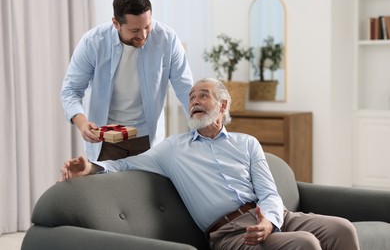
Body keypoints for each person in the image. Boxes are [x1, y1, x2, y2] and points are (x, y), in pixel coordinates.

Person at [60, 78, 359, 250]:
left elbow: (269, 193)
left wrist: (269, 221)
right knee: (305, 244)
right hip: (231, 233)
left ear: (223, 105)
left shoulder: (247, 143)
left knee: (343, 229)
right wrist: (89, 168)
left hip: (274, 215)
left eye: (204, 95)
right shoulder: (172, 149)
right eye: (191, 97)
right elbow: (126, 165)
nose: (195, 101)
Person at [60, 0, 193, 161]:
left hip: (148, 140)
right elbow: (70, 90)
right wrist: (82, 123)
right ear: (116, 23)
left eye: (147, 26)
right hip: (107, 140)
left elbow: (186, 90)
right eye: (135, 30)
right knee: (108, 187)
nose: (143, 36)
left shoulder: (167, 40)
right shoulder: (93, 42)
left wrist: (202, 128)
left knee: (147, 188)